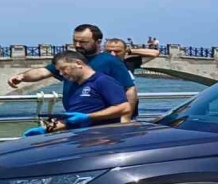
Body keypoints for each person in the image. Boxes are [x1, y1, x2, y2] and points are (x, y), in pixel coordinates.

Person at [9, 24, 137, 122]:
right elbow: (44, 72)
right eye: (75, 41)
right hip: (76, 118)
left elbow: (129, 90)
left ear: (98, 42)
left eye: (83, 42)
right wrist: (22, 77)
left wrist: (125, 119)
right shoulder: (70, 60)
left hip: (102, 121)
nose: (77, 45)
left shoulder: (110, 61)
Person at [24, 51, 131, 136]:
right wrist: (46, 129)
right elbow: (74, 118)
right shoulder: (74, 86)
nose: (61, 73)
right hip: (78, 139)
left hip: (101, 138)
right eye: (59, 71)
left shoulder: (103, 81)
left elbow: (124, 108)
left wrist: (88, 117)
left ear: (78, 63)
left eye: (63, 69)